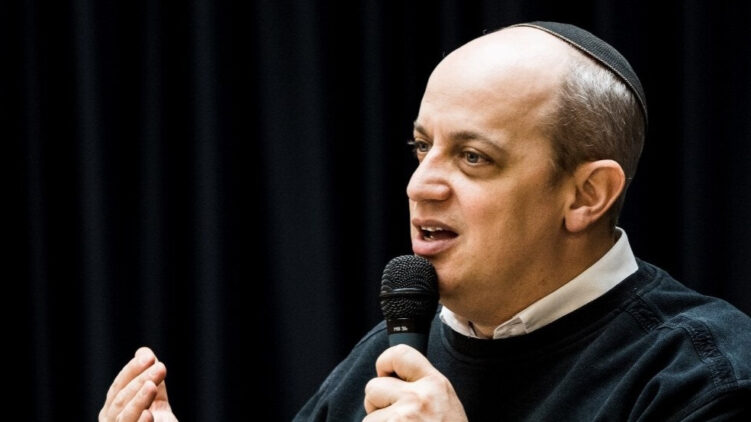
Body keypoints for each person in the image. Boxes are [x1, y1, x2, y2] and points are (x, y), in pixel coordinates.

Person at [99, 21, 751, 421]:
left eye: (473, 157)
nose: (420, 185)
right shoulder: (387, 357)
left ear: (586, 195)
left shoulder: (704, 378)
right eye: (421, 147)